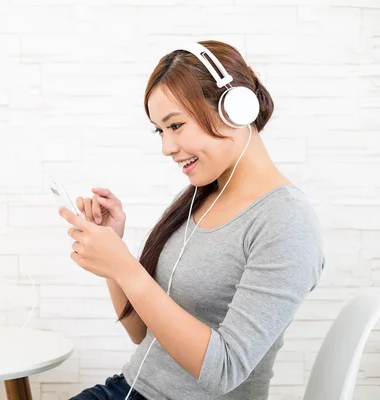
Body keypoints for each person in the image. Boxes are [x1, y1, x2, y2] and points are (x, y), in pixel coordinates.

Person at [57, 40, 325, 400]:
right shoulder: (202, 197)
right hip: (130, 388)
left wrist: (126, 268)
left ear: (235, 110)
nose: (166, 147)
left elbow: (225, 371)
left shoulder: (286, 221)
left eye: (176, 125)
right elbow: (141, 334)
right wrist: (115, 258)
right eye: (160, 130)